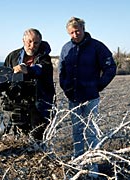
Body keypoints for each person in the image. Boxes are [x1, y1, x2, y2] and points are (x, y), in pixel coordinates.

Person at [59, 17, 117, 177]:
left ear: (83, 29)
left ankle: (93, 169)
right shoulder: (66, 48)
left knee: (91, 131)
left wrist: (99, 85)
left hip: (91, 97)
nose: (75, 34)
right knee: (76, 130)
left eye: (77, 30)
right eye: (71, 32)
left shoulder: (97, 46)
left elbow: (111, 67)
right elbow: (61, 71)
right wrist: (65, 87)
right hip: (74, 98)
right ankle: (79, 163)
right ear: (68, 33)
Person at [4, 28, 55, 141]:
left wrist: (27, 69)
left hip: (39, 103)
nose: (32, 45)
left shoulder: (44, 57)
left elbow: (41, 69)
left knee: (38, 135)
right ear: (23, 41)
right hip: (18, 103)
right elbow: (5, 74)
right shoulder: (13, 56)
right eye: (29, 42)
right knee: (19, 134)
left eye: (36, 42)